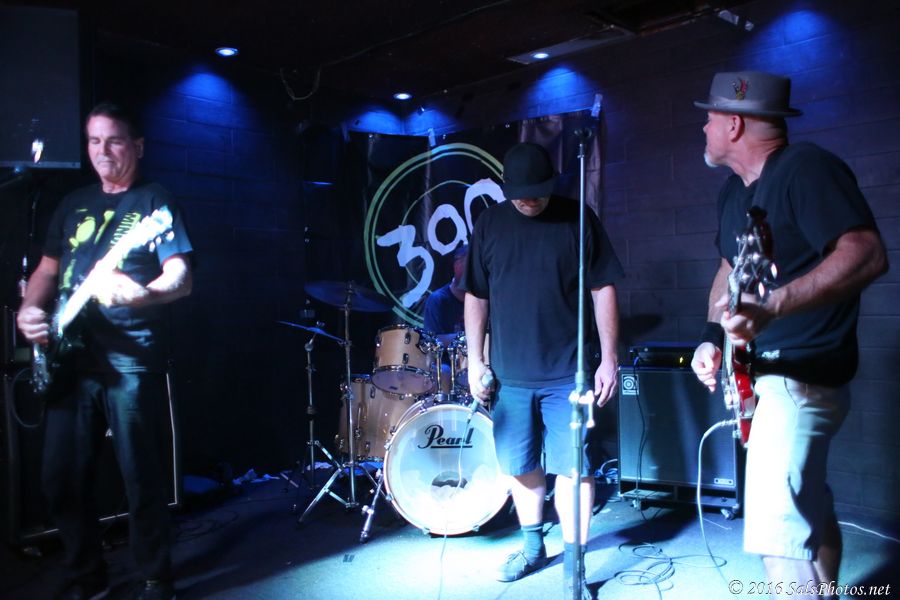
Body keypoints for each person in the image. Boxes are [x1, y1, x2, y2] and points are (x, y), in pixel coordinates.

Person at [690, 72, 887, 598]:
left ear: (734, 124)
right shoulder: (734, 193)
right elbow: (729, 267)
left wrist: (774, 304)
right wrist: (711, 335)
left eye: (709, 118)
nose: (703, 128)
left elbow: (867, 253)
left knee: (775, 529)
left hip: (801, 378)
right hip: (764, 377)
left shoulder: (806, 168)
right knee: (808, 507)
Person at [17, 102, 194, 600]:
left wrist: (145, 294)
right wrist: (28, 310)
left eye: (114, 140)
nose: (103, 152)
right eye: (94, 141)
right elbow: (47, 270)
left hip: (129, 359)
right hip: (69, 360)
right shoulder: (73, 203)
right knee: (60, 477)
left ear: (137, 146)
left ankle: (156, 577)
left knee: (141, 477)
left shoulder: (154, 202)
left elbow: (180, 276)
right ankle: (86, 574)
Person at [461, 142, 623, 592]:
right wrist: (475, 361)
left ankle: (575, 566)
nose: (529, 200)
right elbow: (477, 296)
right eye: (520, 193)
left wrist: (610, 358)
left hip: (568, 372)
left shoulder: (577, 219)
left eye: (537, 191)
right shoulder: (490, 224)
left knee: (574, 468)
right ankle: (533, 548)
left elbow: (603, 288)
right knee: (520, 465)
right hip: (509, 375)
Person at [422, 243, 467, 394]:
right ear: (456, 265)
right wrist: (466, 337)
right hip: (446, 363)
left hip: (475, 361)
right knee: (444, 371)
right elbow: (432, 340)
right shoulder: (438, 300)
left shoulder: (481, 300)